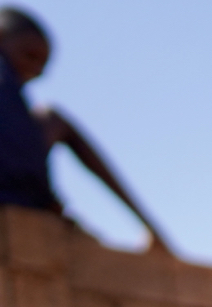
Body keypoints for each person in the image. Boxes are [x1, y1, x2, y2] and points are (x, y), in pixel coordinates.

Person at [0, 8, 171, 248]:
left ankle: (148, 227)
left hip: (31, 205)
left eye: (42, 64)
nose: (38, 71)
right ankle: (150, 228)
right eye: (30, 56)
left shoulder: (24, 114)